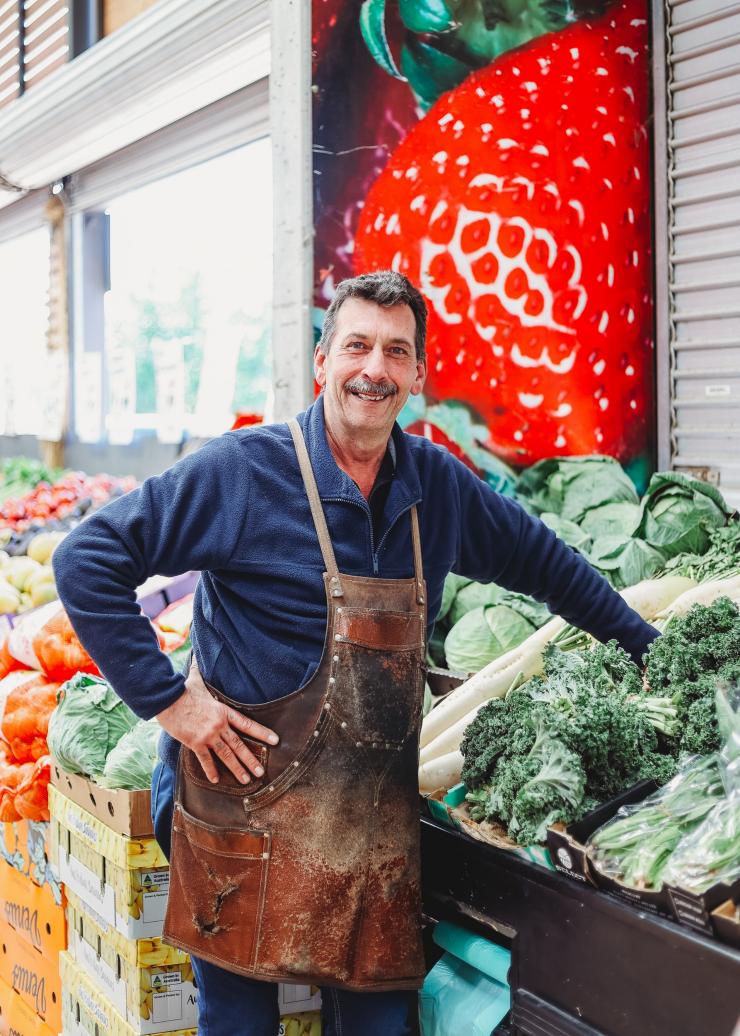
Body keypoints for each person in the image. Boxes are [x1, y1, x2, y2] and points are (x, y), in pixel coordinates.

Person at [53, 271, 658, 1036]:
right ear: (322, 359)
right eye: (357, 345)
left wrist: (650, 649)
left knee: (378, 1027)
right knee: (238, 1025)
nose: (374, 369)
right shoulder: (243, 473)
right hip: (238, 818)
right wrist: (173, 704)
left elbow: (551, 567)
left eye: (395, 351)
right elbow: (87, 559)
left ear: (417, 374)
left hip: (369, 833)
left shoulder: (435, 486)